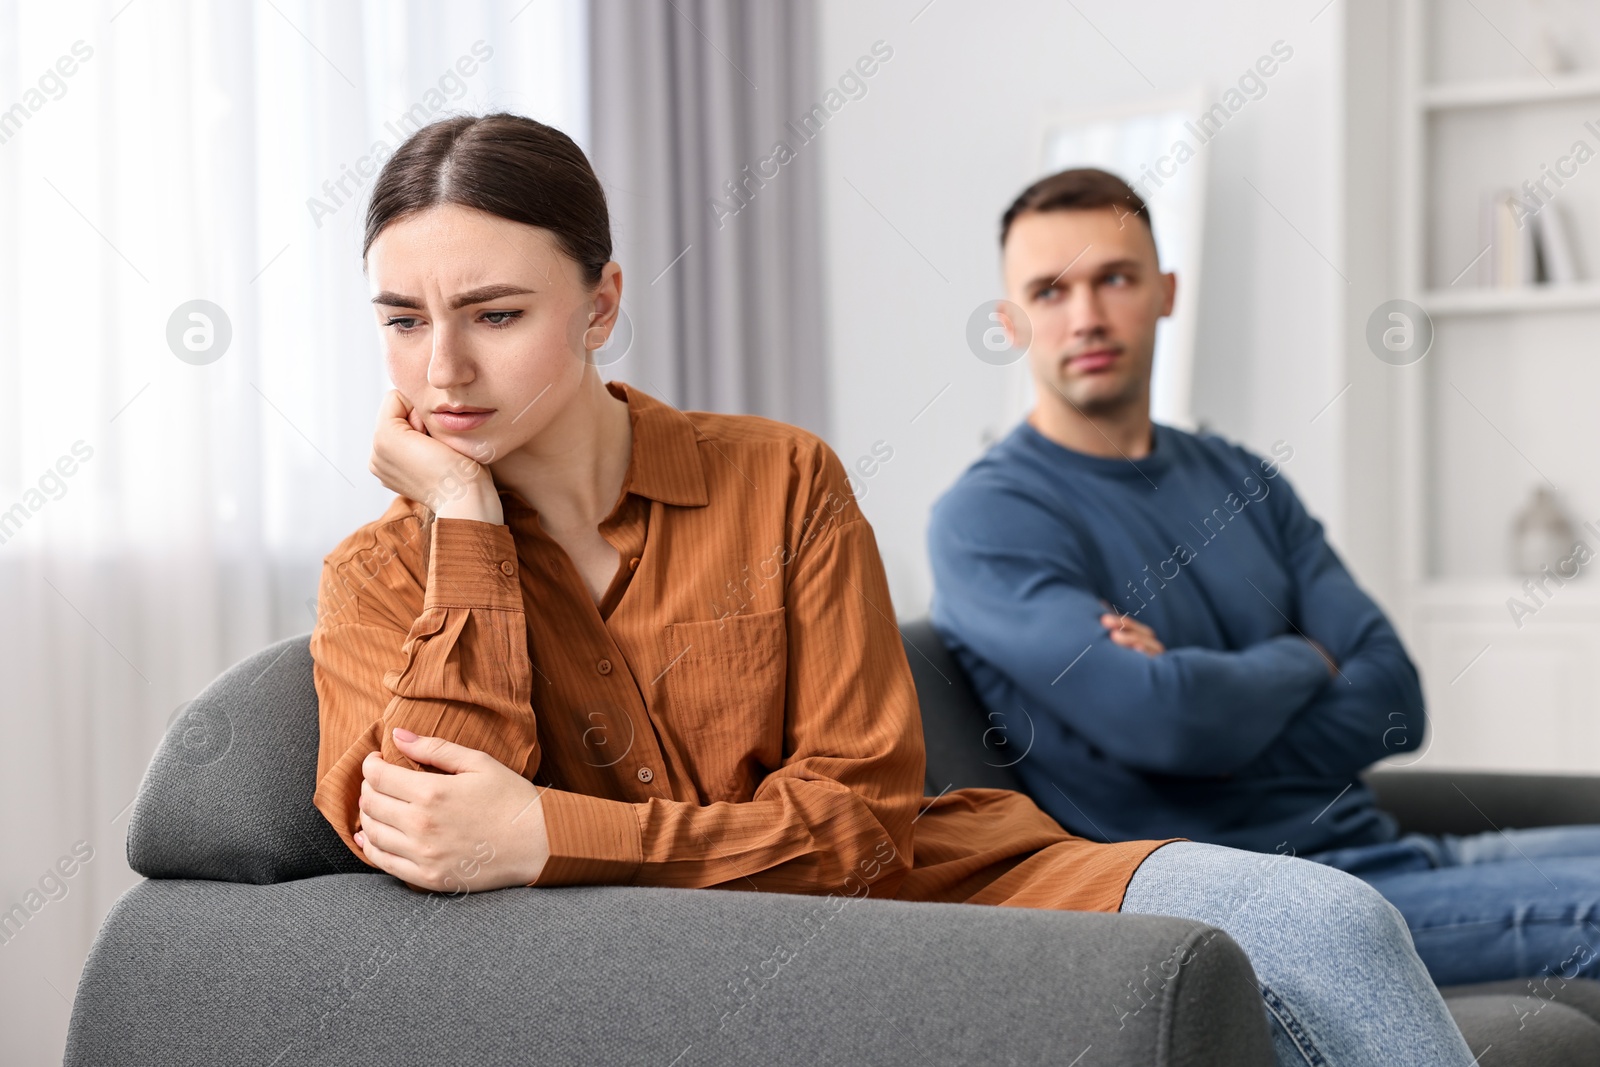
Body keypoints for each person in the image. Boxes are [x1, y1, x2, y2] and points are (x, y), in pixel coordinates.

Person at [308, 113, 1475, 1065]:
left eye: (495, 315)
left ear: (602, 304)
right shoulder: (377, 581)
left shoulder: (779, 477)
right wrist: (463, 520)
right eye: (402, 322)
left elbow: (860, 825)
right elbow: (436, 847)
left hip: (953, 888)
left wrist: (552, 830)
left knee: (1330, 920)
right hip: (741, 987)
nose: (442, 370)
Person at [926, 165, 1600, 991]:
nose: (1088, 316)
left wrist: (1209, 707)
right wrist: (1309, 661)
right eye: (1050, 291)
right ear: (1010, 320)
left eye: (1115, 277)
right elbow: (1167, 721)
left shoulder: (1242, 477)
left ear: (1167, 291)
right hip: (1271, 908)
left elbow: (1396, 698)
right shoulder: (990, 517)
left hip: (1396, 852)